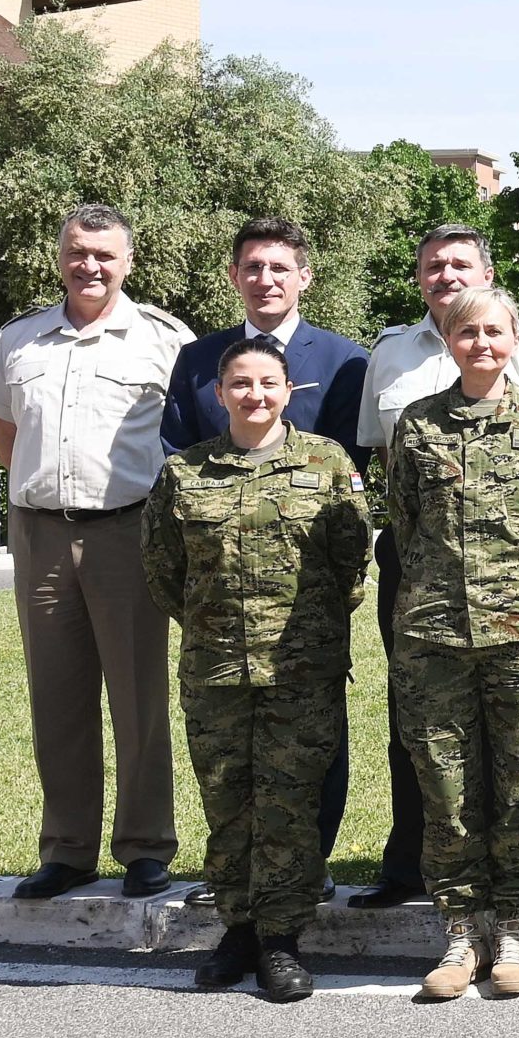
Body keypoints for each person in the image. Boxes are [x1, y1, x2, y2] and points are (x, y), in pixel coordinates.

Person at [144, 336, 371, 1000]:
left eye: (268, 382)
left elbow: (351, 565)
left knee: (289, 805)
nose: (255, 394)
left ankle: (281, 939)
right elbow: (164, 574)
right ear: (220, 394)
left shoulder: (326, 463)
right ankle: (236, 928)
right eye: (240, 384)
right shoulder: (184, 473)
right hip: (215, 669)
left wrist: (302, 632)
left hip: (300, 669)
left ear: (288, 388)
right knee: (228, 803)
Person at [0, 203, 194, 902]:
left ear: (128, 260)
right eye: (78, 251)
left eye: (104, 254)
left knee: (138, 697)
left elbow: (187, 437)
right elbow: (6, 431)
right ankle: (66, 847)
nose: (90, 265)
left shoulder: (163, 339)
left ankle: (145, 846)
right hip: (41, 531)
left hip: (127, 531)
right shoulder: (21, 339)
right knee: (57, 695)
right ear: (60, 255)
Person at [161, 217, 372, 899]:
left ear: (304, 275)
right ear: (234, 276)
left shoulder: (344, 359)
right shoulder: (199, 359)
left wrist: (322, 600)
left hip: (303, 604)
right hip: (220, 605)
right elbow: (175, 486)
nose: (266, 279)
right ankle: (237, 883)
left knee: (311, 742)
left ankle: (310, 869)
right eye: (252, 266)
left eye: (279, 267)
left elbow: (348, 504)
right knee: (228, 765)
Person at [387, 285, 519, 1000]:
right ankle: (459, 931)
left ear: (514, 340)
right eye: (468, 332)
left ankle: (516, 928)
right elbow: (404, 526)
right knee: (446, 789)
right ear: (449, 338)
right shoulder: (417, 426)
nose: (482, 344)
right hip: (433, 637)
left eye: (494, 332)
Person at [348, 223, 519, 911]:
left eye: (460, 263)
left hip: (513, 592)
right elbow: (390, 481)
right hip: (424, 581)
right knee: (424, 730)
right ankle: (412, 861)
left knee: (515, 745)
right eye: (433, 266)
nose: (446, 276)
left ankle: (513, 884)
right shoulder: (391, 355)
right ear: (418, 278)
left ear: (488, 275)